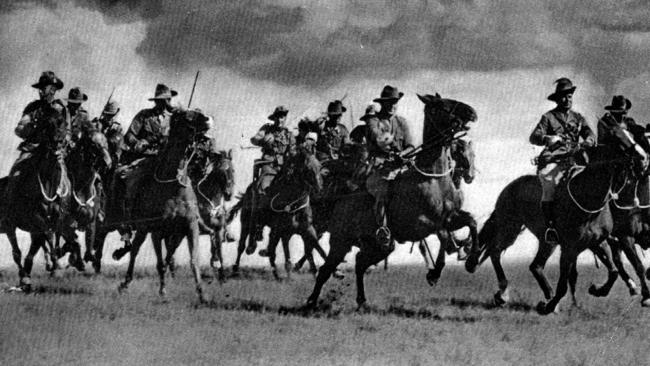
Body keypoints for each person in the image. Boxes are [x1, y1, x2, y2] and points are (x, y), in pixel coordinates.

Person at [529, 77, 596, 244]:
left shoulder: (578, 117)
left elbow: (590, 133)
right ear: (558, 99)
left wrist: (589, 140)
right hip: (553, 160)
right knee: (549, 181)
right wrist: (547, 138)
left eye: (570, 96)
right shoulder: (548, 117)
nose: (567, 100)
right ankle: (551, 227)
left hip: (575, 159)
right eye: (564, 97)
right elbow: (534, 137)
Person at [1, 71, 69, 217]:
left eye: (45, 87)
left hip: (54, 150)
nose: (41, 91)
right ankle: (8, 214)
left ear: (53, 89)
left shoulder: (61, 109)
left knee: (64, 177)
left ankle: (65, 214)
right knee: (15, 173)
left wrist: (61, 146)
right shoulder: (33, 108)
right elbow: (19, 129)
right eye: (41, 87)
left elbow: (67, 132)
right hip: (33, 149)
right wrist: (32, 126)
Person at [365, 85, 415, 248]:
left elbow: (410, 146)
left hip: (402, 166)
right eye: (390, 102)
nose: (393, 105)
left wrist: (404, 155)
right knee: (382, 190)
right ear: (383, 103)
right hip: (380, 167)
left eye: (395, 102)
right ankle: (382, 228)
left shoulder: (402, 122)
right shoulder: (374, 121)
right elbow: (377, 139)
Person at [249, 106, 296, 240]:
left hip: (284, 168)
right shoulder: (267, 129)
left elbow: (293, 151)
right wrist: (263, 140)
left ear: (285, 118)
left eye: (283, 116)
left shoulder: (289, 134)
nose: (280, 119)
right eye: (278, 116)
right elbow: (254, 139)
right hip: (268, 165)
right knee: (263, 189)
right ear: (274, 118)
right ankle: (259, 225)